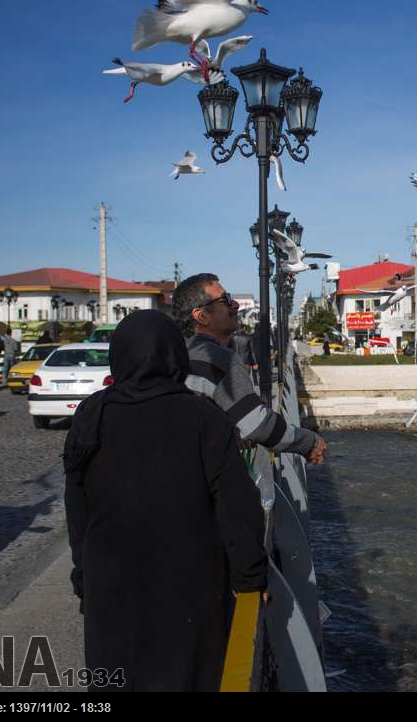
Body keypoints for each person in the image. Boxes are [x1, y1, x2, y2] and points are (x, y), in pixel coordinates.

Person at [64, 310, 267, 691]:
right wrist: (251, 577)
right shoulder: (202, 417)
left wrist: (83, 572)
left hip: (110, 583)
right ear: (176, 356)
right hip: (189, 587)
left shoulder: (92, 414)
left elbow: (76, 505)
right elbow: (238, 506)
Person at [173, 273, 326, 464]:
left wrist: (230, 432)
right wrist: (309, 442)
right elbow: (258, 425)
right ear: (202, 316)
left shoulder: (176, 353)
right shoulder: (218, 359)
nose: (235, 305)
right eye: (226, 300)